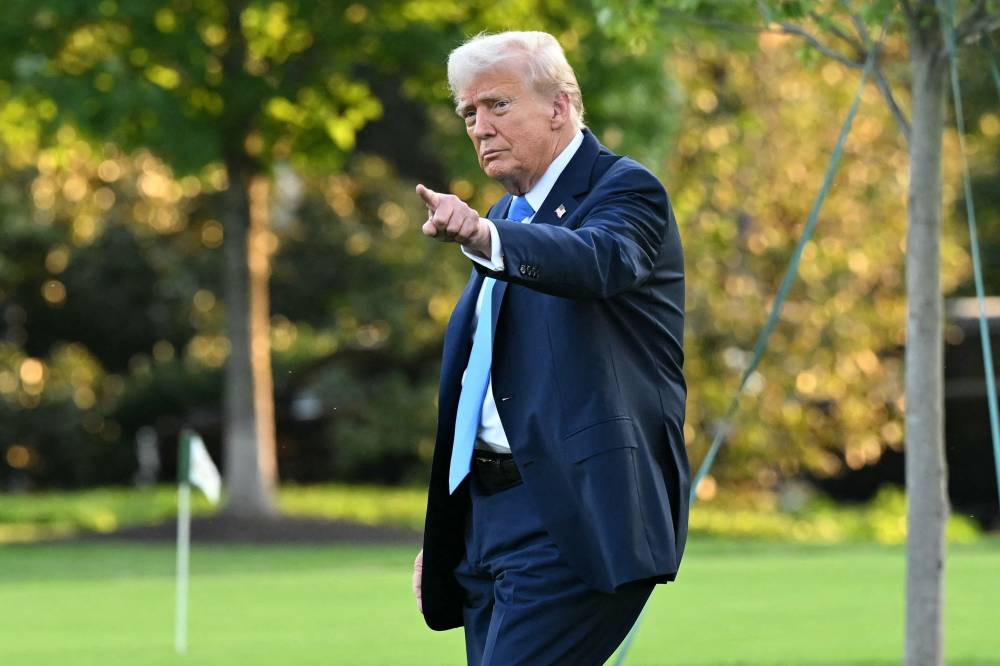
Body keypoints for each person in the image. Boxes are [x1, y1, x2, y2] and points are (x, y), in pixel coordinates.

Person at [412, 31, 689, 665]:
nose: (480, 126)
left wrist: (486, 237)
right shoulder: (508, 213)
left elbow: (595, 261)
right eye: (469, 113)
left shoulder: (625, 191)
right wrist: (450, 532)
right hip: (490, 525)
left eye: (497, 105)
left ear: (560, 107)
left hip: (575, 517)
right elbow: (482, 390)